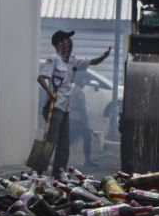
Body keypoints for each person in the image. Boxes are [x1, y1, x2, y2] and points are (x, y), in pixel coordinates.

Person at [37, 30, 110, 177]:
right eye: (65, 40)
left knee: (64, 143)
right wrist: (51, 93)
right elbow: (41, 78)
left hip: (65, 108)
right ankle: (38, 169)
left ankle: (58, 173)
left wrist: (103, 56)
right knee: (51, 139)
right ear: (59, 44)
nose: (69, 43)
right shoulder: (53, 59)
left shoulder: (73, 61)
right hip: (54, 106)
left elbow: (91, 62)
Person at [70, 73, 97, 167]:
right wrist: (86, 123)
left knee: (71, 139)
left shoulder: (75, 89)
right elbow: (82, 109)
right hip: (78, 120)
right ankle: (88, 161)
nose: (86, 81)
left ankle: (53, 157)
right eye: (85, 79)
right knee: (87, 137)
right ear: (80, 80)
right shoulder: (79, 91)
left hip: (73, 119)